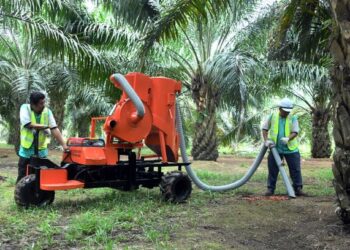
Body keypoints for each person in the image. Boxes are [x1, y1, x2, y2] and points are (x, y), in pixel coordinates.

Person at [17, 91, 68, 183]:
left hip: (41, 150)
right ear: (33, 104)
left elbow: (54, 129)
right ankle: (21, 195)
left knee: (41, 177)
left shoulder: (47, 112)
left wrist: (64, 145)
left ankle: (42, 196)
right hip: (26, 150)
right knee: (23, 175)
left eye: (44, 102)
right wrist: (45, 127)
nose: (43, 105)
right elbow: (27, 124)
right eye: (41, 103)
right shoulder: (25, 108)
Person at [262, 97, 305, 196]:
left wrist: (288, 139)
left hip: (291, 149)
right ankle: (270, 189)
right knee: (273, 169)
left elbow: (295, 132)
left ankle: (298, 188)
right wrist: (266, 141)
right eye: (285, 111)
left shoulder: (293, 118)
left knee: (295, 169)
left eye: (288, 111)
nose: (286, 113)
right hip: (275, 149)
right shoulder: (272, 116)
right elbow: (264, 129)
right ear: (280, 108)